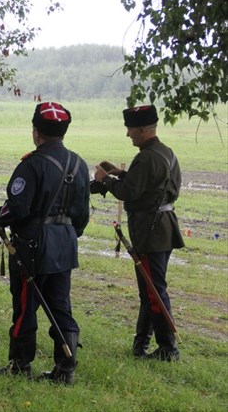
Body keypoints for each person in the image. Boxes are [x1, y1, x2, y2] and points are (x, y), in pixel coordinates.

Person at [0, 102, 90, 384]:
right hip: (65, 244)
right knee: (60, 304)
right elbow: (82, 215)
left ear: (36, 132)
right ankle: (65, 369)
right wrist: (65, 236)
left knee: (25, 304)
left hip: (33, 245)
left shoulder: (31, 165)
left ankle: (20, 365)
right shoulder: (79, 164)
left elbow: (18, 207)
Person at [91, 105, 183, 361]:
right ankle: (140, 344)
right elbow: (151, 184)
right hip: (163, 227)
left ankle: (168, 348)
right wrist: (119, 173)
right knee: (149, 289)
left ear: (143, 130)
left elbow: (129, 193)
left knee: (153, 290)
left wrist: (104, 179)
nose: (128, 134)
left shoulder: (145, 157)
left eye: (131, 129)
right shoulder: (165, 152)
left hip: (149, 232)